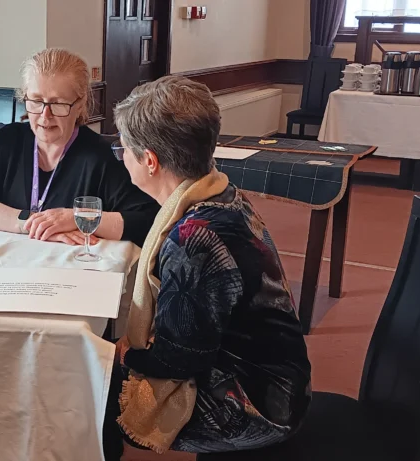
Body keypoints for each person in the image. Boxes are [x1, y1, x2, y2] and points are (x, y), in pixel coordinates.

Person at [103, 75, 311, 459]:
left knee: (95, 382)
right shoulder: (222, 193)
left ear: (149, 161)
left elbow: (178, 361)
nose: (122, 157)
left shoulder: (192, 239)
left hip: (260, 404)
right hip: (280, 376)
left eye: (124, 149)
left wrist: (124, 354)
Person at [0, 48, 157, 246]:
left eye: (58, 104)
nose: (45, 115)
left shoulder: (103, 157)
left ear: (79, 105)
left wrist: (76, 218)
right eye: (36, 101)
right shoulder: (7, 141)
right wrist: (37, 225)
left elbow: (146, 220)